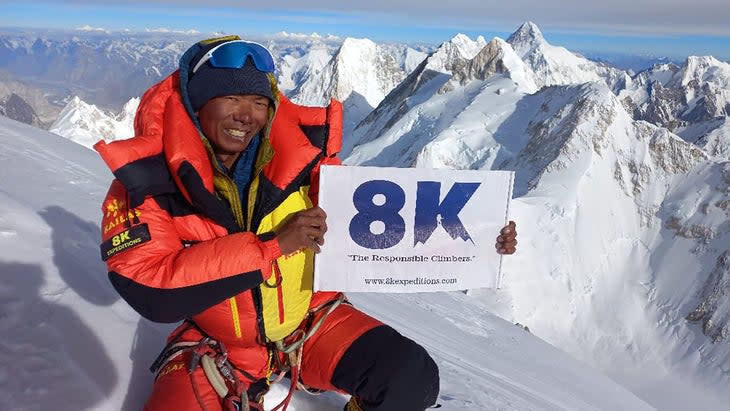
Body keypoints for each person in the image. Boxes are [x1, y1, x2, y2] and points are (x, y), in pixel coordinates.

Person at [95, 36, 518, 411]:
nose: (247, 115)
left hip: (311, 324)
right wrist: (271, 247)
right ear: (197, 102)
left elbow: (388, 219)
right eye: (231, 99)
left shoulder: (302, 160)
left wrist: (480, 235)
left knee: (410, 378)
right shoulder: (147, 181)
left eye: (259, 102)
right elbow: (149, 289)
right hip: (221, 346)